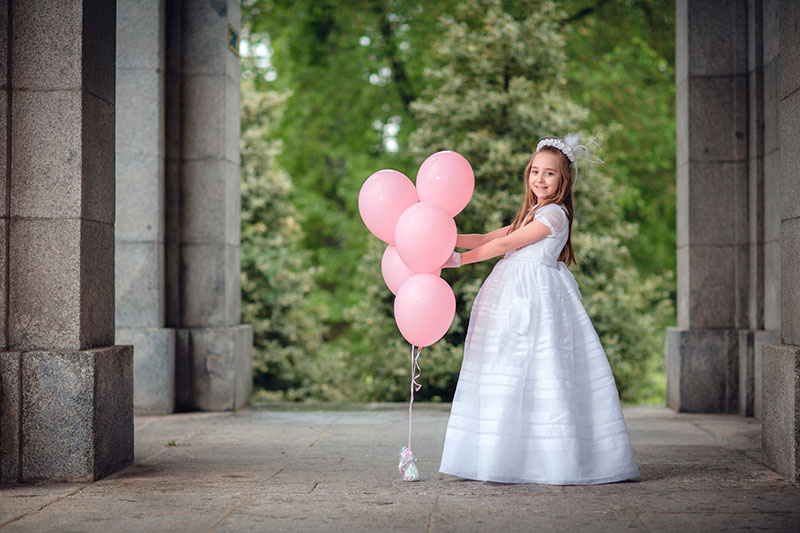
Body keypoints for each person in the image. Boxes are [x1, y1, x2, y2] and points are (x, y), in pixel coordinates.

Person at [438, 136, 640, 485]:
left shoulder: (554, 215)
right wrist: (445, 234)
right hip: (513, 297)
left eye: (550, 174)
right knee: (508, 368)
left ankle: (550, 458)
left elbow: (505, 244)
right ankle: (506, 454)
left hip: (535, 301)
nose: (540, 180)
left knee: (541, 369)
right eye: (535, 171)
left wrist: (457, 260)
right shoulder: (532, 212)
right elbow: (489, 236)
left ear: (564, 181)